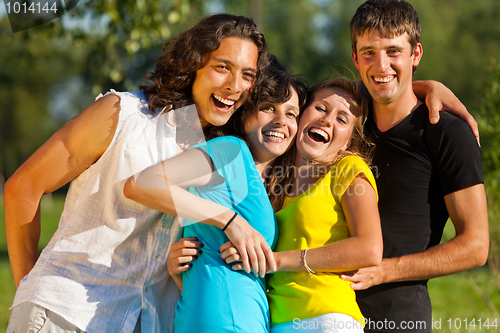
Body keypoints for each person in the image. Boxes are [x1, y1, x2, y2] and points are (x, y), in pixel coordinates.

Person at [4, 13, 272, 333]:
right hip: (64, 315)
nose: (234, 85)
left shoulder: (220, 155)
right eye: (222, 67)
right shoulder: (123, 114)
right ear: (194, 62)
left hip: (145, 323)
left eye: (247, 74)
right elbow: (23, 187)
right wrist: (28, 288)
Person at [123, 56, 308, 332]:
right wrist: (230, 220)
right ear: (244, 113)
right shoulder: (230, 151)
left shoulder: (270, 184)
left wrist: (179, 275)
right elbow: (141, 184)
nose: (282, 121)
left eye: (291, 113)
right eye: (269, 108)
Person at [341, 1, 489, 332]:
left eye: (394, 51)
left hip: (397, 318)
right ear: (355, 58)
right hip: (323, 314)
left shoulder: (447, 133)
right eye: (368, 53)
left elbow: (476, 246)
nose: (381, 65)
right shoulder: (343, 123)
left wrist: (384, 270)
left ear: (415, 54)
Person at [220, 78, 382, 333]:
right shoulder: (273, 182)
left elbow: (370, 249)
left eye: (342, 119)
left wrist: (277, 260)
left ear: (349, 142)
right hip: (274, 321)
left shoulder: (348, 170)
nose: (327, 120)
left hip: (326, 318)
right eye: (320, 108)